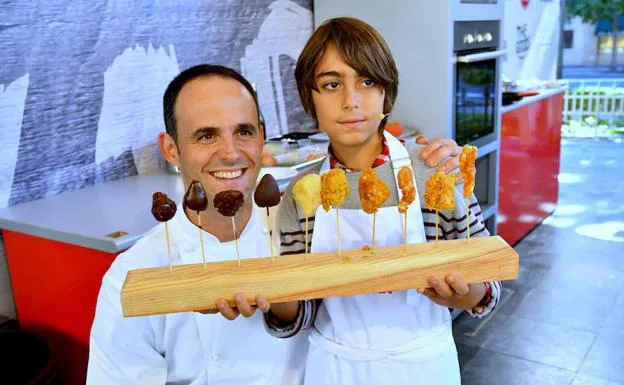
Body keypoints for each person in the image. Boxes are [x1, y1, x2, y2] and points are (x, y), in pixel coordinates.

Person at [86, 64, 463, 383]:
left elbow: (387, 209)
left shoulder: (309, 225)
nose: (231, 153)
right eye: (206, 135)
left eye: (244, 131)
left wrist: (428, 161)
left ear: (263, 138)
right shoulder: (134, 274)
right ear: (171, 150)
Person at [263, 17, 502, 385]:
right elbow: (301, 311)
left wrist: (465, 294)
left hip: (422, 365)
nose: (350, 101)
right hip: (335, 367)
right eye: (330, 84)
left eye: (367, 81)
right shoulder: (302, 194)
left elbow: (491, 282)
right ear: (308, 97)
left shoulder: (433, 172)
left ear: (386, 92)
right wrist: (271, 298)